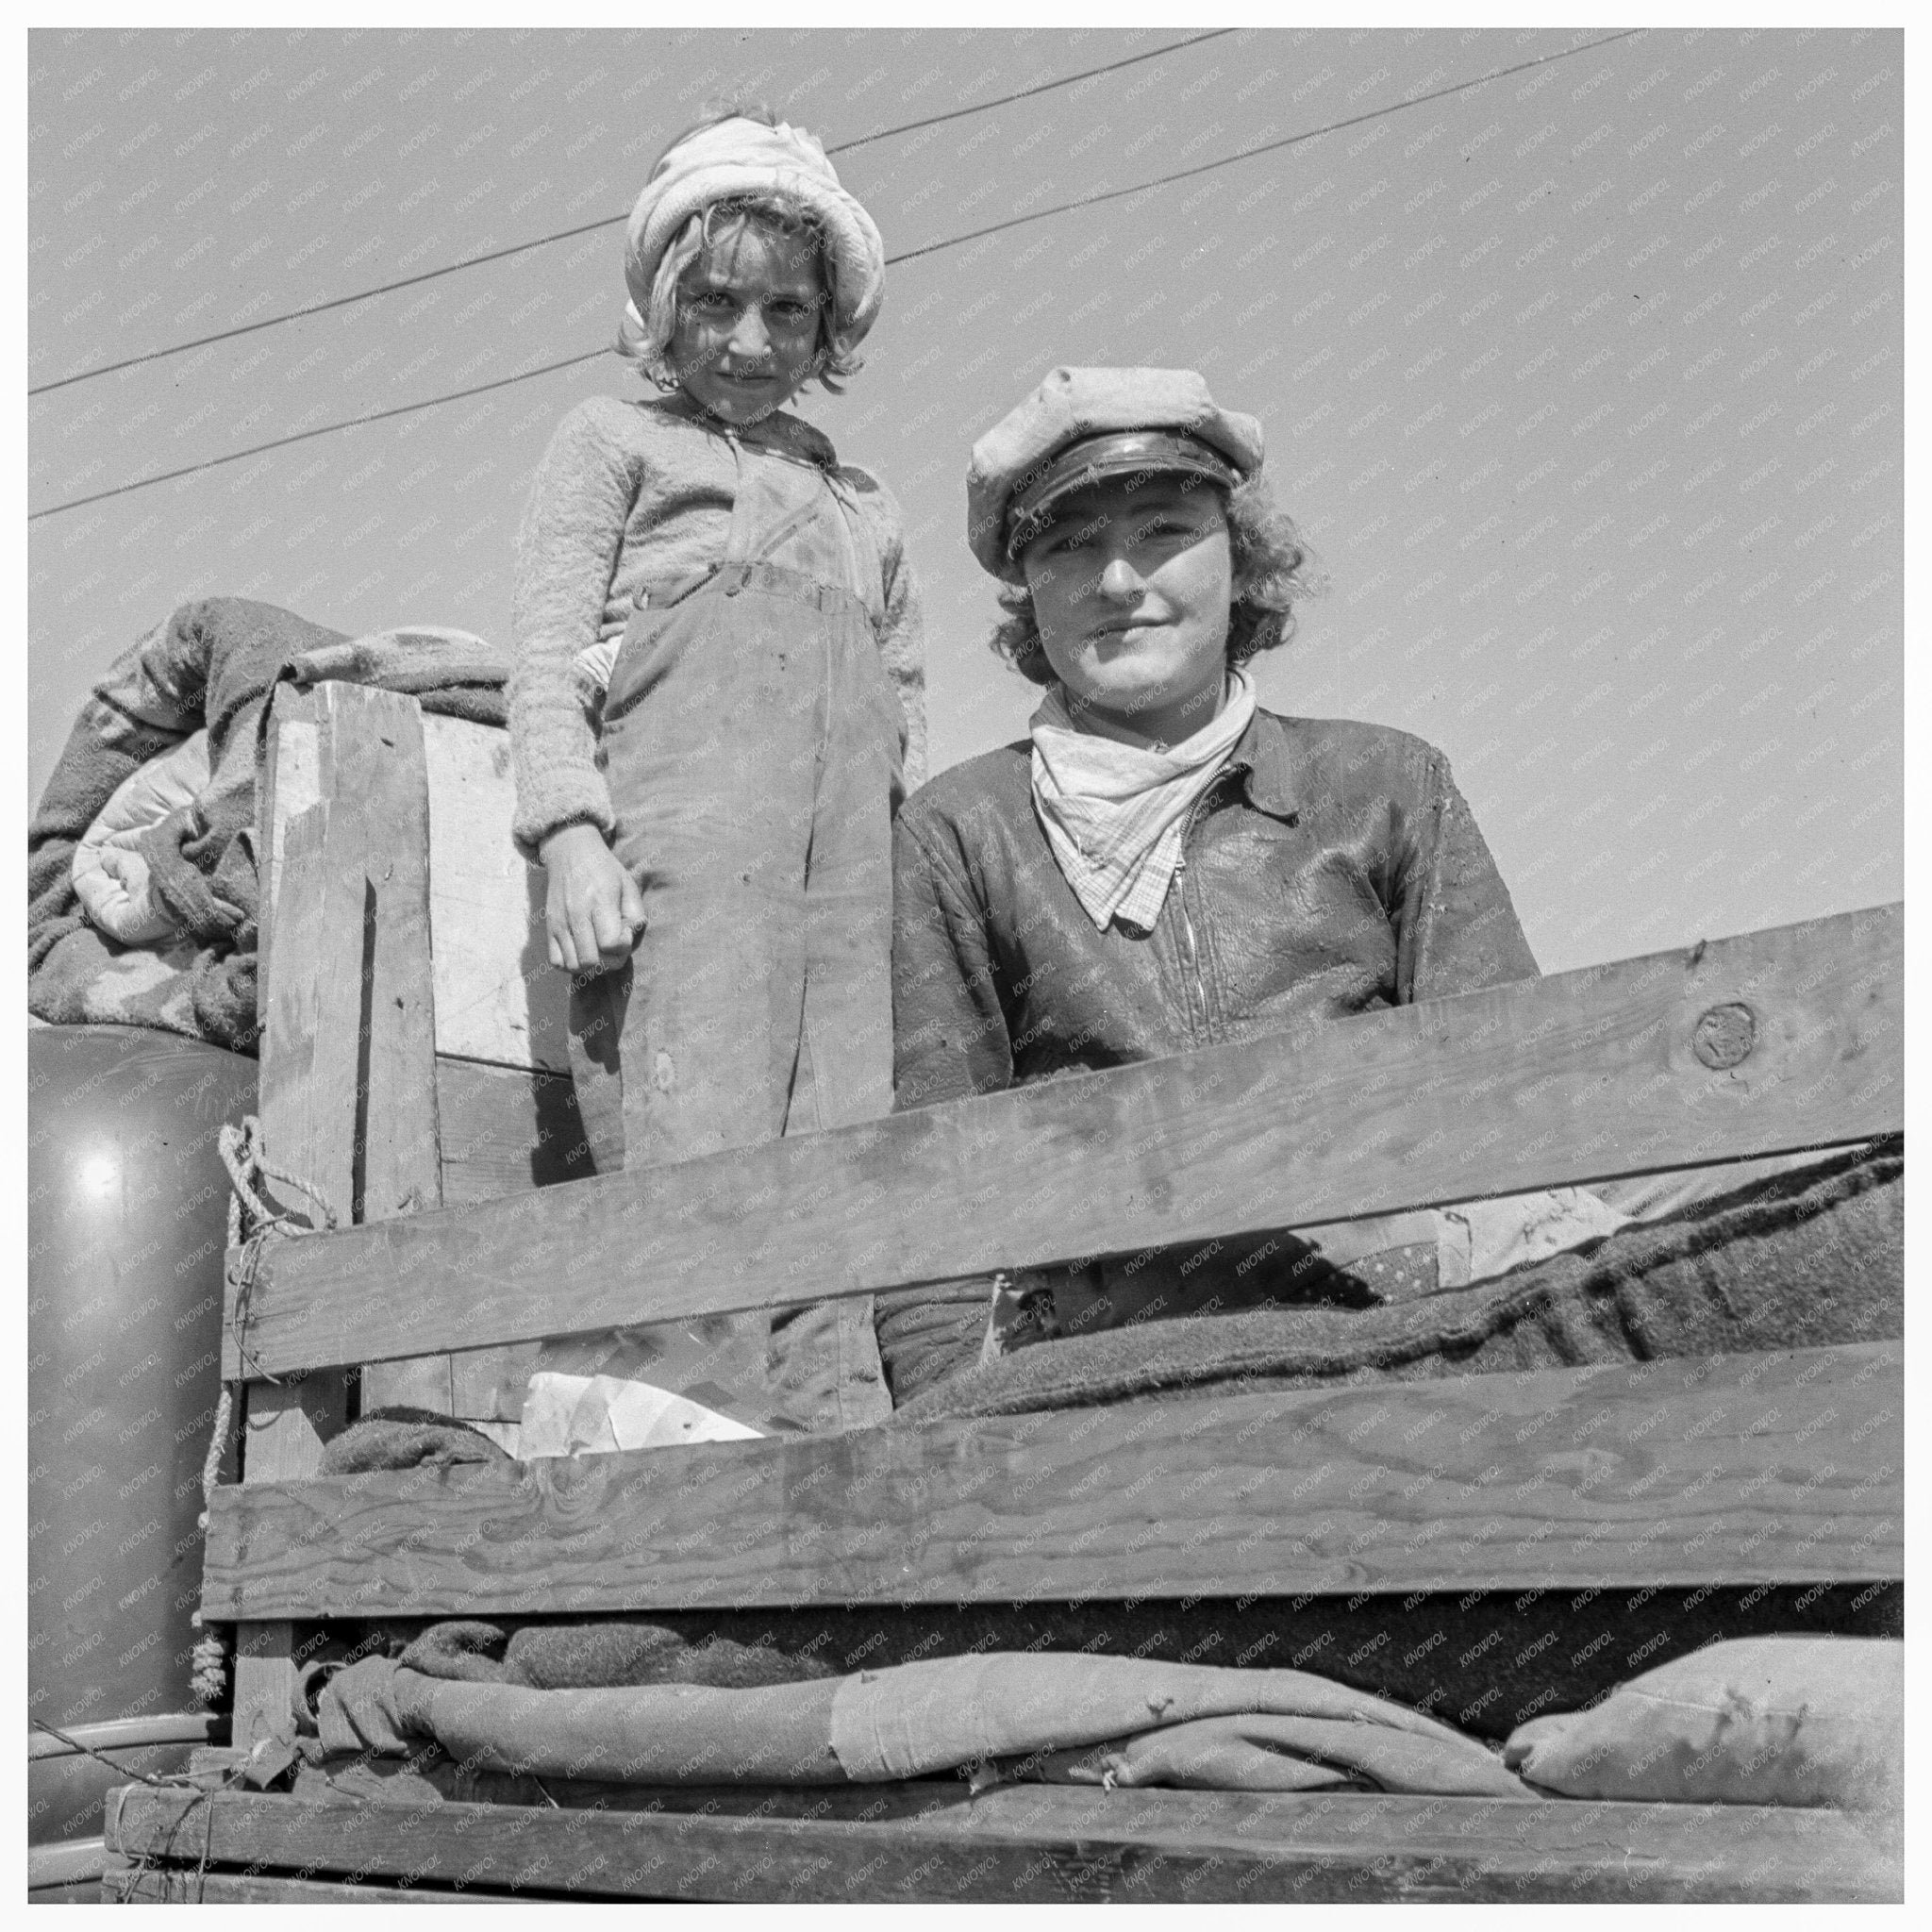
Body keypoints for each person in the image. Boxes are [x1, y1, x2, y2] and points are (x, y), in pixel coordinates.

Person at [874, 366, 1624, 1404]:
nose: (1119, 580)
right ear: (1027, 591)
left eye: (1163, 530)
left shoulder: (1387, 783)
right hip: (1103, 1378)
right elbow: (934, 1193)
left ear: (1242, 557)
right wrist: (952, 1443)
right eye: (1069, 545)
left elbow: (1511, 1110)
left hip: (1392, 1349)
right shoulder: (962, 829)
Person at [508, 108, 924, 1433]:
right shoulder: (609, 442)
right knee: (693, 1137)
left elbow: (903, 701)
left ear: (828, 328)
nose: (750, 343)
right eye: (717, 301)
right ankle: (675, 1472)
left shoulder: (866, 507)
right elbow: (546, 656)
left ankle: (836, 1448)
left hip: (844, 875)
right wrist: (571, 832)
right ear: (662, 303)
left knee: (843, 1145)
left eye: (787, 313)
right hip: (685, 848)